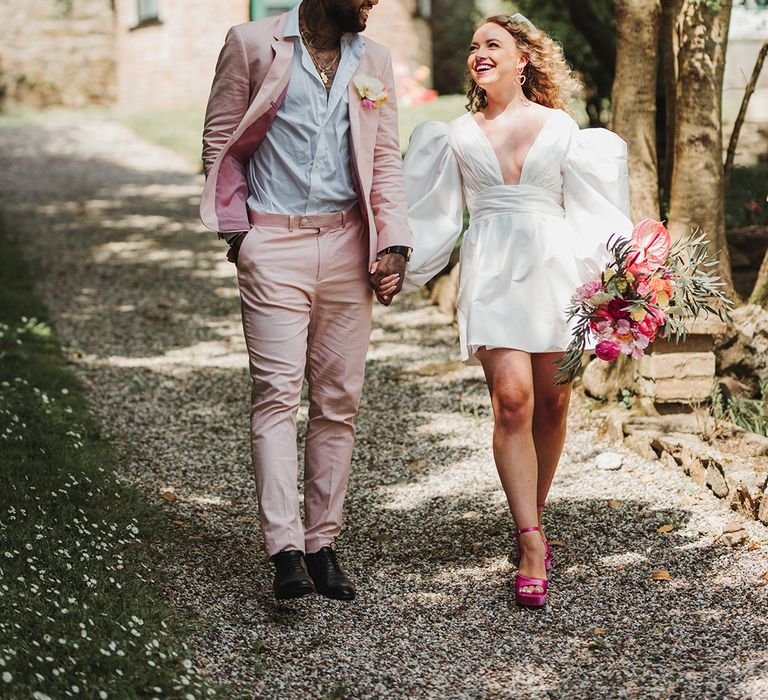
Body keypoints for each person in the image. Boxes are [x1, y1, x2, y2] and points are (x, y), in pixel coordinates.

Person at [404, 14, 632, 607]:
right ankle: (531, 540)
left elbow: (590, 208)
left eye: (493, 44)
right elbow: (434, 217)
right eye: (475, 45)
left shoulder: (561, 127)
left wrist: (622, 271)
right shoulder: (455, 133)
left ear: (522, 58)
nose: (479, 53)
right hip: (492, 274)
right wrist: (401, 268)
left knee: (553, 402)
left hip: (556, 273)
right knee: (513, 400)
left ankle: (530, 512)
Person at [200, 0, 410, 601]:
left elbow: (384, 158)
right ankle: (284, 547)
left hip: (349, 246)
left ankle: (322, 544)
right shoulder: (250, 43)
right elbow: (221, 139)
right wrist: (239, 235)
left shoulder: (374, 60)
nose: (374, 2)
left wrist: (391, 242)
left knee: (338, 403)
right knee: (276, 396)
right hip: (274, 243)